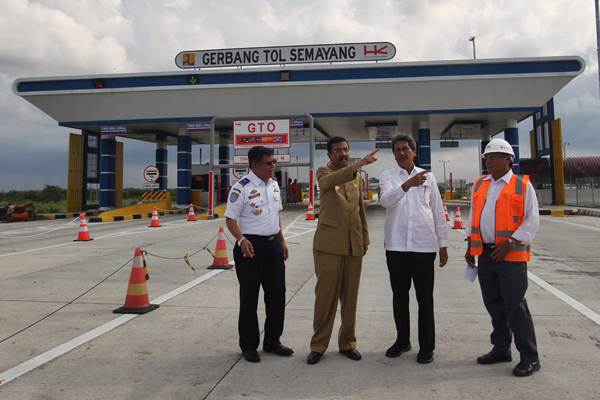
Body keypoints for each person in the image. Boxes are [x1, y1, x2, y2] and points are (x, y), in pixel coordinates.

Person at [464, 138, 541, 377]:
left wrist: (510, 242)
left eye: (495, 156)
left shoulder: (522, 186)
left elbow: (532, 220)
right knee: (494, 304)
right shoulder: (479, 184)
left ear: (509, 159)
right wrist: (470, 244)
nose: (489, 160)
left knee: (515, 305)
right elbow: (473, 216)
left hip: (511, 255)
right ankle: (501, 348)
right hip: (485, 253)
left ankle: (530, 357)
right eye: (487, 157)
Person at [306, 136, 378, 365]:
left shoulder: (355, 179)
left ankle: (348, 343)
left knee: (350, 300)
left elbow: (359, 210)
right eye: (338, 150)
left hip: (353, 245)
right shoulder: (324, 172)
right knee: (325, 299)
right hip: (328, 247)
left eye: (346, 150)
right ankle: (318, 346)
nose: (343, 154)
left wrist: (364, 238)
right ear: (329, 154)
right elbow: (329, 183)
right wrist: (358, 165)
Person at [379, 134, 448, 364]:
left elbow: (438, 212)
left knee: (424, 298)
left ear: (414, 152)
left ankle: (427, 347)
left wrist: (443, 244)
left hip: (423, 247)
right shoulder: (387, 176)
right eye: (397, 150)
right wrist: (407, 185)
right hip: (396, 247)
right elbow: (386, 201)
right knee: (399, 297)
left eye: (405, 149)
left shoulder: (428, 177)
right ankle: (402, 340)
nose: (401, 153)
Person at [225, 146, 293, 363]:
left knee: (277, 296)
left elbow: (276, 217)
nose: (274, 166)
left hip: (273, 246)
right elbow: (230, 219)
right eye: (269, 163)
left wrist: (282, 240)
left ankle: (273, 341)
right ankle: (248, 346)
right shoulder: (241, 187)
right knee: (249, 298)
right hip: (250, 248)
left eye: (274, 162)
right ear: (254, 165)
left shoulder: (273, 185)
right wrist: (241, 240)